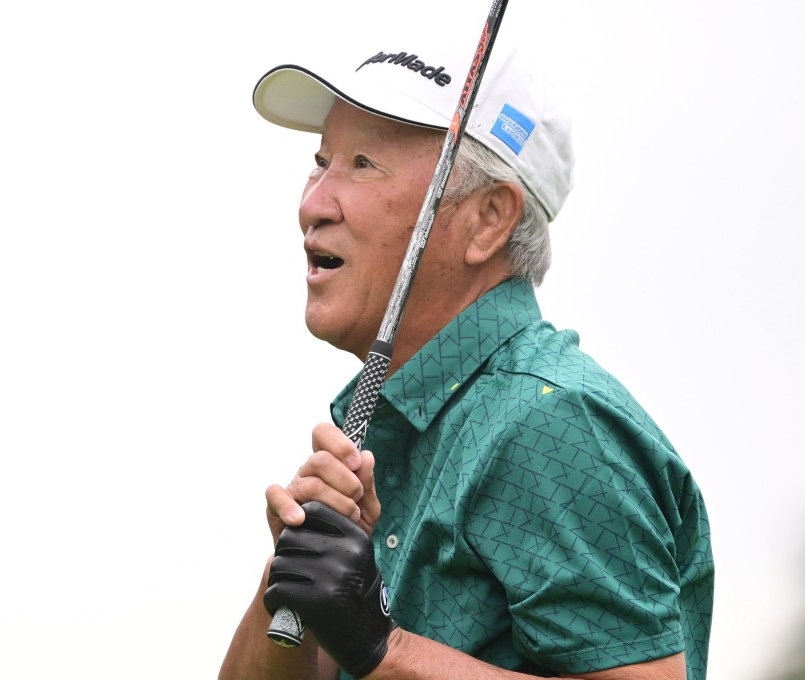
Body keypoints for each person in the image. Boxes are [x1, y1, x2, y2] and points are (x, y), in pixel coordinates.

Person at [219, 30, 714, 680]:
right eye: (321, 160)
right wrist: (293, 580)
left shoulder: (550, 422)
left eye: (363, 163)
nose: (311, 205)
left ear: (487, 219)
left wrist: (381, 648)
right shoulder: (383, 429)